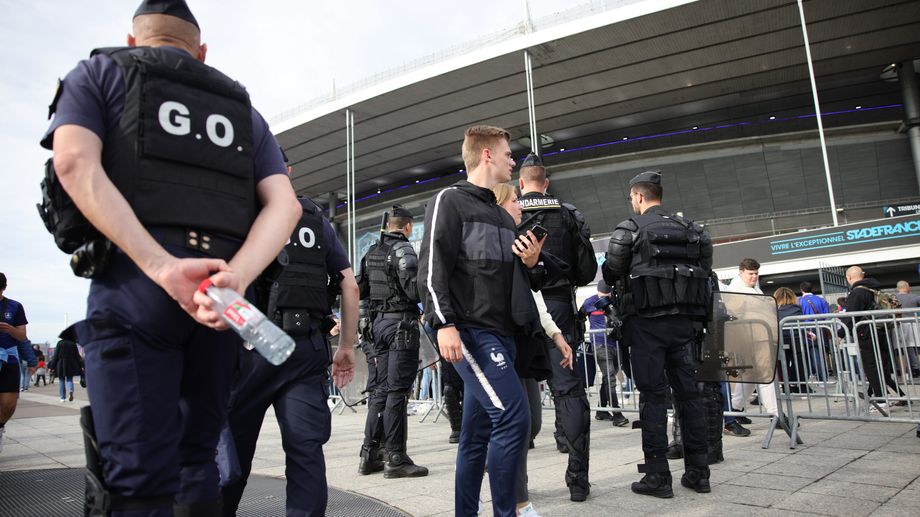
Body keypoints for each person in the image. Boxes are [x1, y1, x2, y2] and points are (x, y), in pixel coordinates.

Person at [40, 1, 302, 513]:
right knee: (197, 459)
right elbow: (285, 203)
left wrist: (162, 267)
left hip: (134, 287)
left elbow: (71, 161)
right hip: (219, 301)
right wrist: (237, 277)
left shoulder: (101, 72)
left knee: (136, 477)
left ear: (135, 42)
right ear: (201, 52)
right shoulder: (243, 110)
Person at [419, 125, 543, 516]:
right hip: (471, 332)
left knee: (476, 436)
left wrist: (531, 261)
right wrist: (444, 324)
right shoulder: (449, 201)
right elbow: (431, 267)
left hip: (503, 333)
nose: (513, 160)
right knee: (513, 417)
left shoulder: (504, 218)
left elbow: (520, 279)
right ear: (487, 154)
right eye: (508, 154)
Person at [220, 196, 358, 516]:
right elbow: (349, 286)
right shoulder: (314, 218)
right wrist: (346, 348)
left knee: (232, 454)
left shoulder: (237, 208)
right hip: (305, 348)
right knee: (305, 451)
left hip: (250, 347)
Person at [603, 170, 713, 498]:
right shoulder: (693, 229)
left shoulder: (631, 228)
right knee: (690, 397)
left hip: (647, 326)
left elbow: (611, 271)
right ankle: (699, 473)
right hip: (687, 324)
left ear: (638, 197)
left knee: (652, 398)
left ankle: (657, 477)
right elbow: (705, 270)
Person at [517, 152, 596, 502]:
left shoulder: (509, 212)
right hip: (560, 306)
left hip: (521, 310)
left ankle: (517, 483)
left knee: (516, 394)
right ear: (545, 182)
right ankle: (578, 481)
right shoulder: (568, 214)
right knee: (569, 390)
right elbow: (587, 271)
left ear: (522, 182)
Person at [493, 181, 574, 516]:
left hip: (524, 341)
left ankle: (512, 484)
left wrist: (555, 334)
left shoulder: (519, 244)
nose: (520, 207)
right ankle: (517, 499)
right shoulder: (494, 243)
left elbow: (533, 297)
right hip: (495, 344)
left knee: (530, 424)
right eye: (514, 200)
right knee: (514, 424)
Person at [357, 205, 429, 478]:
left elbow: (359, 291)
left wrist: (365, 324)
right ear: (408, 226)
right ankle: (396, 457)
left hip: (378, 327)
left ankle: (369, 454)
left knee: (380, 391)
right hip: (401, 326)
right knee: (397, 392)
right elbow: (413, 290)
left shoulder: (370, 252)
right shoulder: (404, 250)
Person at [721, 258, 779, 435]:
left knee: (752, 375)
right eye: (750, 273)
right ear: (741, 272)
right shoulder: (738, 290)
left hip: (760, 336)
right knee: (766, 375)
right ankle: (775, 414)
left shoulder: (752, 289)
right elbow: (734, 316)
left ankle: (737, 408)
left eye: (756, 273)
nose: (754, 276)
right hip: (753, 338)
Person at [844, 266, 906, 412]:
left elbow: (851, 316)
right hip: (881, 330)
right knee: (881, 366)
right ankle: (899, 396)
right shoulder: (874, 289)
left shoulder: (857, 292)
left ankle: (880, 400)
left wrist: (840, 333)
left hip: (867, 333)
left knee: (871, 366)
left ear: (849, 278)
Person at [580, 281, 629, 427]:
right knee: (610, 377)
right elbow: (580, 317)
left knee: (609, 378)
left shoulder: (616, 301)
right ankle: (617, 414)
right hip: (600, 344)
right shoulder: (590, 302)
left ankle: (601, 410)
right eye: (603, 294)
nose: (605, 297)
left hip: (615, 344)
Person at [1, 272, 33, 453]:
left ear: (4, 288)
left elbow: (22, 336)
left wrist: (11, 329)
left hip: (9, 358)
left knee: (9, 404)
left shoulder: (14, 306)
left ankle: (0, 426)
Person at [799, 281, 831, 380]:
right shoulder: (821, 300)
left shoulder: (800, 301)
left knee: (814, 351)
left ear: (801, 290)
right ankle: (824, 374)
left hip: (808, 328)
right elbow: (827, 315)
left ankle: (821, 376)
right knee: (822, 351)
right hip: (822, 327)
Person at [894, 281, 920, 377]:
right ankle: (917, 368)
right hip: (913, 324)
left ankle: (904, 374)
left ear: (898, 288)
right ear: (907, 287)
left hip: (898, 325)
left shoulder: (893, 298)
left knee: (900, 350)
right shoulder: (915, 297)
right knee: (917, 348)